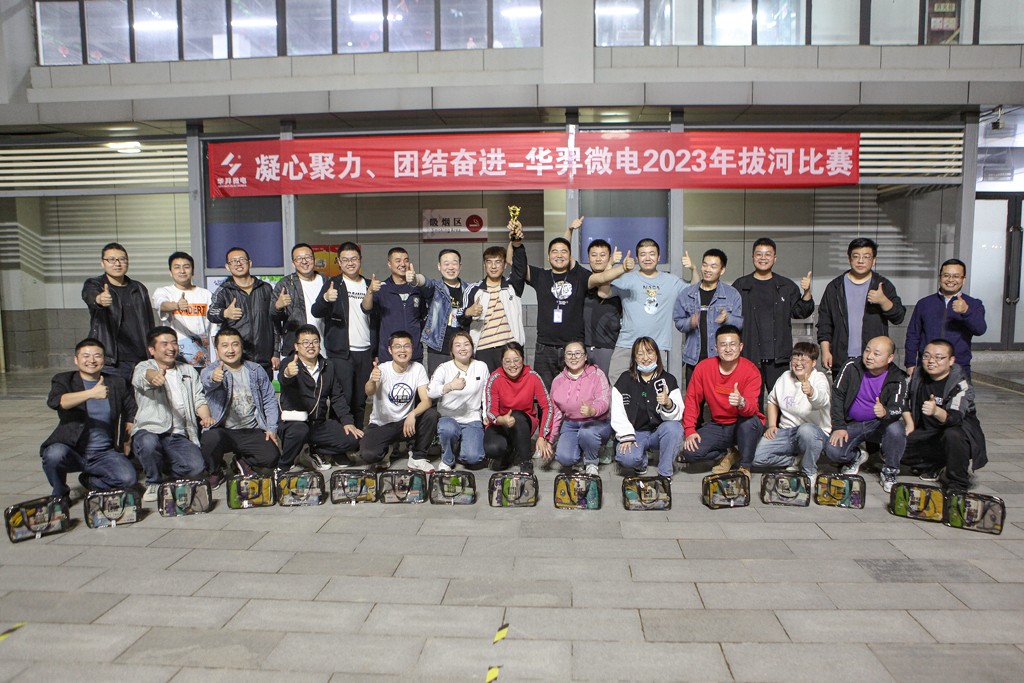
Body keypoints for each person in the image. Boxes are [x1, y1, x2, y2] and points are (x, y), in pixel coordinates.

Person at [511, 216, 634, 387]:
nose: (559, 255)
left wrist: (622, 268)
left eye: (564, 252)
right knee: (544, 393)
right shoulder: (540, 276)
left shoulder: (580, 277)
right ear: (548, 256)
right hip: (544, 348)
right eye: (554, 252)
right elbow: (514, 263)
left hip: (573, 348)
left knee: (575, 392)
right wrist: (515, 241)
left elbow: (602, 277)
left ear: (570, 257)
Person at [40, 338, 137, 498]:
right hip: (72, 450)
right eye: (86, 356)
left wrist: (127, 437)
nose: (92, 360)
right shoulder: (64, 380)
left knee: (128, 479)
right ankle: (60, 493)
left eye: (97, 356)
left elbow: (131, 409)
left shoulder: (116, 383)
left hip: (104, 452)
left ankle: (90, 480)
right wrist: (91, 393)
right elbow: (57, 401)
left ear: (104, 359)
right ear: (76, 360)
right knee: (53, 454)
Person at [131, 326, 211, 502]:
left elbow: (199, 399)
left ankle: (162, 465)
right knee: (148, 443)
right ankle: (154, 481)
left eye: (174, 343)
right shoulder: (144, 366)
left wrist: (205, 417)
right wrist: (154, 377)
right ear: (152, 350)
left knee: (196, 468)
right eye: (164, 344)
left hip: (178, 435)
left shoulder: (188, 370)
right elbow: (143, 377)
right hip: (150, 430)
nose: (171, 348)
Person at [731, 238, 814, 403]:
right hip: (749, 355)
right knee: (751, 401)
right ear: (752, 257)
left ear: (775, 258)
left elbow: (800, 312)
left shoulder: (786, 286)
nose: (763, 258)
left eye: (768, 254)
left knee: (781, 401)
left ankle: (776, 422)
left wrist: (806, 293)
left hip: (778, 357)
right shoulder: (740, 285)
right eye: (759, 254)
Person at [823, 336, 910, 493]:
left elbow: (898, 407)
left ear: (890, 358)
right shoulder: (851, 366)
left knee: (896, 428)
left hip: (878, 424)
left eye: (876, 354)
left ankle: (889, 472)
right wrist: (839, 426)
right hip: (851, 424)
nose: (869, 356)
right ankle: (856, 456)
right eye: (867, 351)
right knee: (832, 450)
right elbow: (837, 396)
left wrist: (885, 412)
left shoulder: (898, 377)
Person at [901, 339, 987, 494]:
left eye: (939, 357)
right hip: (928, 432)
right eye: (926, 356)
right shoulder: (917, 376)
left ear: (951, 360)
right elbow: (902, 399)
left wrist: (936, 411)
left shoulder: (960, 383)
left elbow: (955, 418)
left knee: (953, 435)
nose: (931, 361)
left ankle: (958, 483)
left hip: (956, 434)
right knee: (892, 448)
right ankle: (937, 465)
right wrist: (909, 424)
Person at [678, 325, 765, 476]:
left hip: (745, 423)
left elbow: (752, 408)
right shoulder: (703, 368)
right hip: (719, 425)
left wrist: (741, 402)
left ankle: (745, 467)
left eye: (732, 344)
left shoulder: (751, 371)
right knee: (690, 452)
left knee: (748, 423)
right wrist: (690, 430)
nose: (728, 349)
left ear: (740, 347)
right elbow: (692, 401)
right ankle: (728, 453)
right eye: (723, 345)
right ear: (716, 348)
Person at [199, 327, 280, 488]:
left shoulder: (255, 370)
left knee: (272, 456)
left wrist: (271, 428)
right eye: (225, 345)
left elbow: (269, 399)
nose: (230, 350)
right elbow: (207, 381)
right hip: (223, 431)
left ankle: (241, 461)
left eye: (235, 344)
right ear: (217, 350)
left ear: (242, 347)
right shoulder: (211, 370)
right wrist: (215, 378)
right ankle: (216, 471)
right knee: (210, 438)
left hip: (251, 429)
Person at [310, 242, 379, 427]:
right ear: (339, 262)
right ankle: (339, 439)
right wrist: (326, 299)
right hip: (341, 353)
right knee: (342, 399)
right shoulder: (333, 284)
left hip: (365, 352)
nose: (350, 263)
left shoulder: (368, 285)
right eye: (345, 260)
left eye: (354, 259)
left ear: (360, 260)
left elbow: (376, 319)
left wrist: (376, 352)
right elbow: (316, 311)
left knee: (360, 400)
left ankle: (356, 438)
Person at [278, 325, 362, 471]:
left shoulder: (328, 366)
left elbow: (337, 396)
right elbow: (283, 378)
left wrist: (347, 422)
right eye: (305, 342)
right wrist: (288, 373)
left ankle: (314, 450)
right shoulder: (289, 363)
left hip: (318, 424)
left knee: (354, 439)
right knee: (299, 431)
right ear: (296, 346)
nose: (311, 346)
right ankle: (284, 465)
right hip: (294, 423)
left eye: (315, 342)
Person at [817, 237, 906, 372]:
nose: (861, 261)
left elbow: (899, 317)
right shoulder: (835, 287)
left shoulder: (882, 285)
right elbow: (825, 322)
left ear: (874, 260)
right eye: (856, 256)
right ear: (849, 259)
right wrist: (825, 351)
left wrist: (883, 301)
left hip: (874, 359)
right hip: (841, 357)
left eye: (866, 257)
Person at [607, 238, 686, 384]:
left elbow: (694, 291)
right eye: (643, 254)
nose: (648, 258)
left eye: (652, 254)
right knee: (617, 386)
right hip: (627, 344)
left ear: (659, 257)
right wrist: (611, 265)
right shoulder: (627, 278)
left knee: (653, 390)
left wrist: (693, 269)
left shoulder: (671, 281)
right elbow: (603, 291)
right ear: (637, 258)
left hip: (657, 346)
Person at [360, 330, 439, 471]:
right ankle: (386, 450)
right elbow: (369, 391)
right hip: (382, 424)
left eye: (406, 346)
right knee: (369, 455)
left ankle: (417, 457)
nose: (402, 350)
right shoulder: (382, 369)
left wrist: (412, 414)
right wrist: (372, 380)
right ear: (390, 350)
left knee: (431, 415)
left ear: (412, 348)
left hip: (405, 424)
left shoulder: (418, 368)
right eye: (397, 346)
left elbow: (426, 400)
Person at [751, 342, 831, 478]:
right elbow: (772, 400)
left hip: (813, 434)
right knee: (755, 457)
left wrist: (811, 392)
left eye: (804, 359)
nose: (798, 363)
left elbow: (822, 401)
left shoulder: (819, 379)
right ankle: (795, 460)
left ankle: (809, 471)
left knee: (806, 430)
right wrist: (772, 425)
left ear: (813, 363)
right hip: (787, 432)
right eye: (795, 359)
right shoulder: (785, 377)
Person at [610, 337, 684, 478]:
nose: (645, 358)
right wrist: (626, 436)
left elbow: (678, 414)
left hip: (658, 433)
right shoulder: (624, 380)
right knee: (627, 458)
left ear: (656, 355)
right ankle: (641, 462)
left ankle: (665, 473)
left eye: (649, 352)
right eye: (640, 354)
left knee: (675, 428)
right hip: (635, 433)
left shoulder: (668, 380)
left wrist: (668, 403)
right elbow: (617, 413)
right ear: (635, 358)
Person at [82, 242, 154, 382]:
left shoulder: (138, 288)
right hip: (111, 361)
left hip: (140, 360)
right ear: (102, 263)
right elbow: (90, 295)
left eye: (122, 259)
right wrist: (99, 299)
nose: (117, 263)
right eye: (111, 260)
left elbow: (149, 322)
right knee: (112, 395)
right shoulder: (95, 284)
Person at [905, 259, 986, 379]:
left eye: (956, 276)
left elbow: (980, 329)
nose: (950, 280)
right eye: (946, 275)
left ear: (963, 279)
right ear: (940, 278)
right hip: (927, 366)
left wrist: (966, 311)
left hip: (958, 367)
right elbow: (913, 335)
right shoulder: (924, 303)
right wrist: (910, 363)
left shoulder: (973, 304)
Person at [673, 248, 743, 384]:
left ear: (722, 270)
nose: (707, 269)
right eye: (705, 265)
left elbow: (740, 323)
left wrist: (727, 318)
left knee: (720, 396)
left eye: (713, 266)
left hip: (721, 359)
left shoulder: (732, 294)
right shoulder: (687, 294)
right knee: (694, 397)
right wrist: (690, 322)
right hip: (694, 359)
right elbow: (678, 322)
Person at [208, 247, 278, 381]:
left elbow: (274, 322)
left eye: (242, 260)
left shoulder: (265, 288)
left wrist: (276, 353)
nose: (238, 263)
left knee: (265, 393)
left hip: (264, 360)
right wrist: (225, 312)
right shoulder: (224, 290)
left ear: (250, 263)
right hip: (236, 360)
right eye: (233, 261)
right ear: (227, 267)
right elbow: (211, 313)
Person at [483, 341, 553, 473]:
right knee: (493, 449)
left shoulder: (532, 376)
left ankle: (525, 461)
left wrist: (543, 436)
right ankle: (510, 450)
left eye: (516, 360)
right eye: (507, 361)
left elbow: (547, 406)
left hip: (523, 423)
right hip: (501, 422)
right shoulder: (495, 378)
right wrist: (502, 419)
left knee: (516, 416)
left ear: (523, 359)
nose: (512, 365)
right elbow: (490, 411)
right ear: (502, 362)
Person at [565, 218, 621, 378]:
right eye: (594, 255)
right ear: (588, 258)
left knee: (607, 387)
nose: (598, 258)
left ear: (609, 257)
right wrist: (569, 230)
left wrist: (611, 267)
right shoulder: (582, 277)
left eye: (603, 255)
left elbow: (604, 285)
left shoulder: (619, 282)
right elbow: (564, 254)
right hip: (583, 346)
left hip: (608, 347)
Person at [547, 341, 612, 477]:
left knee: (587, 433)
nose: (573, 357)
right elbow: (555, 413)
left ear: (586, 356)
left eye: (578, 353)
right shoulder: (558, 381)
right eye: (569, 354)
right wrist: (550, 439)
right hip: (571, 424)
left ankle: (591, 461)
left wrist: (592, 410)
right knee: (565, 458)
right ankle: (582, 452)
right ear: (564, 357)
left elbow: (604, 401)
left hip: (596, 423)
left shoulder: (597, 374)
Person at [427, 331, 489, 471]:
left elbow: (486, 393)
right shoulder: (444, 368)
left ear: (472, 348)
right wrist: (449, 386)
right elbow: (430, 391)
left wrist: (485, 414)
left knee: (474, 458)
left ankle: (460, 446)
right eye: (458, 345)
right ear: (452, 351)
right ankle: (447, 459)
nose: (463, 348)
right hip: (448, 417)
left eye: (466, 344)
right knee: (447, 429)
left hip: (472, 417)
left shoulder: (481, 366)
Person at [409, 248, 471, 376]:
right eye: (446, 263)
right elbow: (424, 282)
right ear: (439, 266)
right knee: (438, 385)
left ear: (460, 266)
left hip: (463, 348)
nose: (450, 267)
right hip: (438, 347)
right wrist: (415, 279)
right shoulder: (436, 287)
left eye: (454, 263)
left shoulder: (469, 290)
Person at [465, 245, 526, 373]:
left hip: (509, 348)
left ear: (504, 265)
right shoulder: (474, 289)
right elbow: (460, 318)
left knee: (510, 384)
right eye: (489, 262)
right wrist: (468, 312)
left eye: (498, 262)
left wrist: (517, 245)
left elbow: (520, 269)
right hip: (483, 349)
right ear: (484, 265)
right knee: (485, 384)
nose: (493, 266)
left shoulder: (512, 286)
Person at [363, 247, 426, 364]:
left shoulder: (416, 288)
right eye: (398, 261)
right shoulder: (382, 289)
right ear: (389, 264)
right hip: (388, 355)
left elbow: (423, 317)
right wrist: (370, 292)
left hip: (414, 354)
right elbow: (366, 309)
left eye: (406, 260)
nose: (403, 264)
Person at [151, 251, 212, 369]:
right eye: (177, 267)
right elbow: (162, 304)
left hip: (202, 357)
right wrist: (176, 305)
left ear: (193, 271)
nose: (182, 271)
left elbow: (214, 327)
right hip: (174, 357)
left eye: (186, 267)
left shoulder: (206, 294)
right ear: (170, 272)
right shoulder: (164, 291)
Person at [271, 243, 326, 360]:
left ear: (314, 259)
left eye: (307, 257)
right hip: (296, 348)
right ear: (293, 263)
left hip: (325, 346)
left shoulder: (327, 282)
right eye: (299, 258)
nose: (304, 261)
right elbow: (273, 318)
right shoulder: (284, 284)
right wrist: (277, 307)